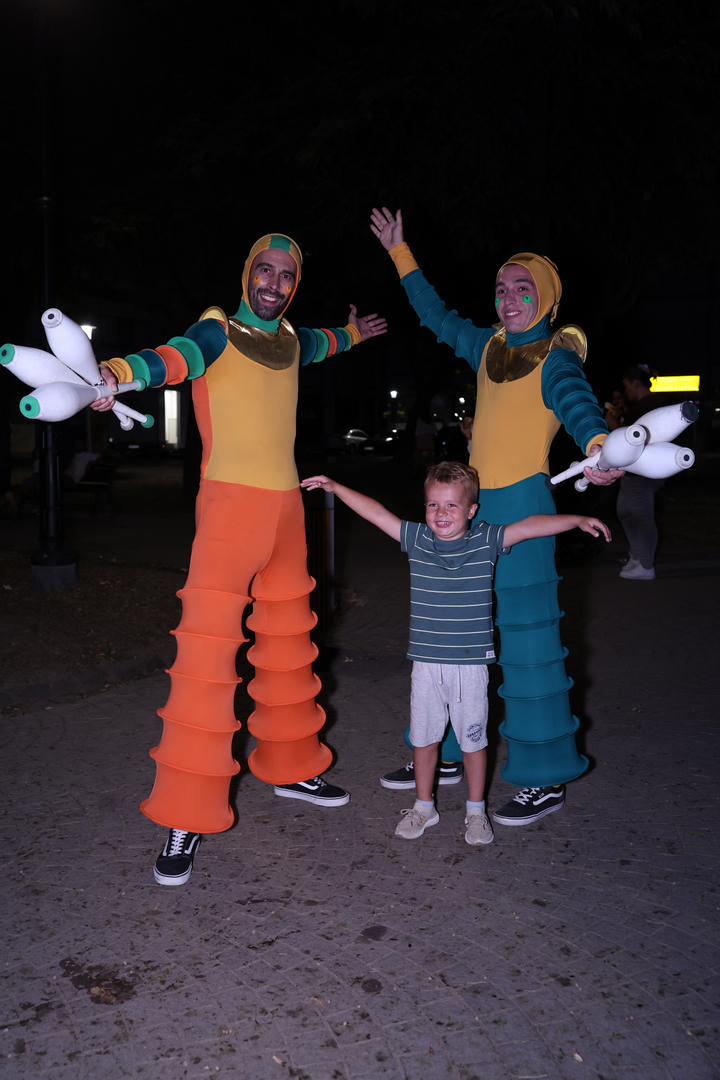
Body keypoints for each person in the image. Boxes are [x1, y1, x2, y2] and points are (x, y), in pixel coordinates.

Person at [94, 233, 387, 885]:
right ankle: (185, 817)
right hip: (228, 514)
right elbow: (172, 358)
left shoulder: (291, 339)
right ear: (247, 273)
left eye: (285, 275)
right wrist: (116, 373)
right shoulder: (218, 330)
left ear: (294, 284)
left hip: (287, 513)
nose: (274, 283)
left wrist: (355, 333)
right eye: (265, 270)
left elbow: (325, 342)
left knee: (290, 651)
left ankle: (293, 768)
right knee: (206, 668)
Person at [369, 207, 621, 827]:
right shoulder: (486, 345)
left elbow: (579, 407)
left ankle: (545, 776)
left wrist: (598, 448)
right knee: (453, 640)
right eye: (502, 289)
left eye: (522, 289)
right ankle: (445, 756)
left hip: (525, 508)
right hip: (471, 509)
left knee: (530, 645)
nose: (509, 299)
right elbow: (435, 316)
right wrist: (401, 252)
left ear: (546, 300)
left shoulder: (557, 357)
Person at [301, 463, 610, 844]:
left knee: (473, 743)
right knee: (424, 739)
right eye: (433, 505)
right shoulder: (417, 539)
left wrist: (576, 519)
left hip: (470, 667)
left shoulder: (486, 540)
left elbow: (530, 526)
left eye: (451, 505)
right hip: (427, 665)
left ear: (471, 510)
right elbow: (377, 513)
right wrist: (335, 486)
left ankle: (475, 811)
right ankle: (423, 806)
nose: (441, 513)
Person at [615, 364, 663, 580]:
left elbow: (623, 439)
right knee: (624, 512)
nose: (626, 391)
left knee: (642, 517)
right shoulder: (657, 403)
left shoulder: (644, 407)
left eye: (626, 386)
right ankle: (638, 556)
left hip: (641, 471)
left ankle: (646, 566)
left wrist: (612, 422)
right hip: (644, 469)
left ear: (635, 383)